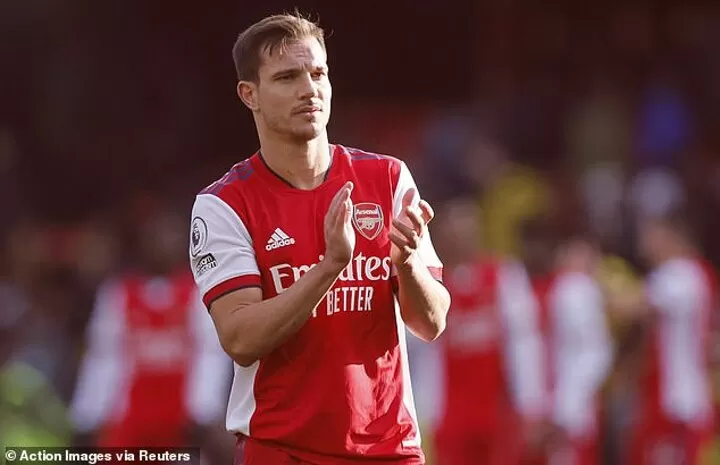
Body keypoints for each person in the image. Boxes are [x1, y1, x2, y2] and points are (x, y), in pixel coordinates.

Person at [187, 12, 450, 465]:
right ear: (249, 94)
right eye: (287, 77)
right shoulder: (223, 205)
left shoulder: (387, 177)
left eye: (318, 73)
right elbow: (241, 338)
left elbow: (432, 322)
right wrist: (330, 267)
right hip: (281, 450)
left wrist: (407, 264)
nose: (309, 89)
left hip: (390, 450)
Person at [70, 209, 230, 455]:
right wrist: (89, 413)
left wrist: (204, 409)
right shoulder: (119, 293)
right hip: (128, 418)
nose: (162, 244)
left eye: (170, 237)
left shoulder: (197, 293)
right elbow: (102, 356)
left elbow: (210, 355)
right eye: (155, 237)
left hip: (181, 423)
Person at [431, 197, 545, 465]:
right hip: (449, 414)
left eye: (467, 230)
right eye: (454, 231)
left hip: (498, 409)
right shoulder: (432, 281)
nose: (461, 238)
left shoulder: (505, 275)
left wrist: (531, 403)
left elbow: (524, 342)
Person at [625, 211, 717, 465]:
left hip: (675, 398)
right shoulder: (700, 272)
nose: (644, 244)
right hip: (687, 392)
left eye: (650, 236)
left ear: (669, 237)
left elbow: (634, 307)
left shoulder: (677, 274)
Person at [542, 235, 612, 465]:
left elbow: (593, 347)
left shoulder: (576, 288)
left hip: (570, 388)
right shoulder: (568, 288)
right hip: (566, 385)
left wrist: (573, 397)